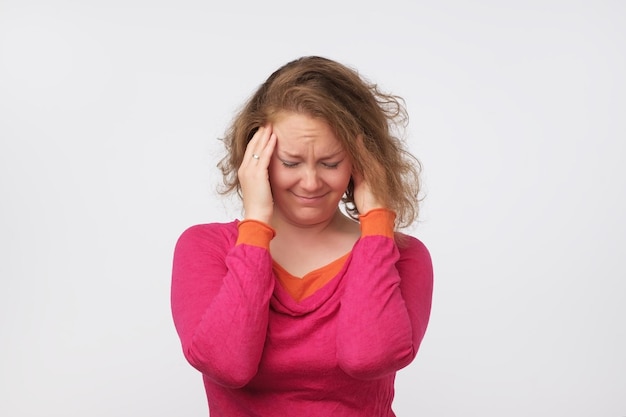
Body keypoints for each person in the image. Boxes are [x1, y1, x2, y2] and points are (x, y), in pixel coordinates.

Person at [171, 55, 434, 417]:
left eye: (331, 163)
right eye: (291, 163)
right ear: (256, 157)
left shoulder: (401, 255)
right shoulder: (204, 248)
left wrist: (376, 221)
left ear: (363, 162)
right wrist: (257, 222)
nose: (310, 183)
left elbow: (368, 358)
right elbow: (227, 366)